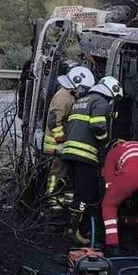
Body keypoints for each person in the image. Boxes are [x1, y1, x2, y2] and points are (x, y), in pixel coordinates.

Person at [60, 75, 121, 245]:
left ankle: (68, 225)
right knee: (85, 194)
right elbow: (97, 125)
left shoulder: (82, 100)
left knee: (75, 191)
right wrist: (105, 142)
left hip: (69, 151)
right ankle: (72, 231)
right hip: (84, 154)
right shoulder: (101, 102)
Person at [44, 65, 94, 210]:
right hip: (55, 146)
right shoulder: (64, 97)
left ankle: (62, 205)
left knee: (63, 176)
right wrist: (60, 141)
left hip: (60, 145)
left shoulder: (68, 95)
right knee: (55, 175)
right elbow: (54, 121)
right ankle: (51, 203)